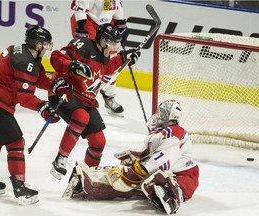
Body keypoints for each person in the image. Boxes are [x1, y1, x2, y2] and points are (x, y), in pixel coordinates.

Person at [0, 25, 60, 205]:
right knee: (15, 142)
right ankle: (20, 189)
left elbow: (38, 77)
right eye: (45, 44)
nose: (48, 48)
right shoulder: (24, 62)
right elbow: (25, 98)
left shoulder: (24, 53)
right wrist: (43, 106)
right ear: (37, 44)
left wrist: (55, 85)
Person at [63, 99, 199, 215]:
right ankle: (88, 182)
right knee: (123, 179)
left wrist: (140, 169)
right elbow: (150, 155)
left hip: (184, 175)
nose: (159, 115)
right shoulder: (161, 132)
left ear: (169, 115)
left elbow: (165, 156)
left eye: (162, 112)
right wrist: (135, 160)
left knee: (150, 180)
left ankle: (172, 198)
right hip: (157, 171)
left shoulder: (177, 132)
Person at [48, 23, 140, 180]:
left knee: (98, 141)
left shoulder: (104, 54)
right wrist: (72, 65)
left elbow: (106, 68)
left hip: (85, 99)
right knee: (81, 117)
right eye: (112, 43)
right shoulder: (83, 44)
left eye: (116, 44)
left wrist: (124, 57)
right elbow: (55, 57)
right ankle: (61, 158)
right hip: (65, 91)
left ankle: (85, 178)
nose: (114, 47)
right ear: (103, 40)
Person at [70, 0, 128, 117]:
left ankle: (109, 97)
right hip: (86, 22)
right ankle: (75, 95)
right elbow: (80, 9)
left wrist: (122, 28)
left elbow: (118, 12)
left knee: (110, 61)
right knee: (87, 61)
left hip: (106, 25)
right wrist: (81, 29)